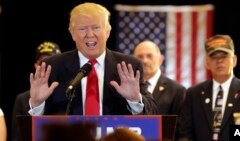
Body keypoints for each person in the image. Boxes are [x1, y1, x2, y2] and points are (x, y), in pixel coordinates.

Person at [28, 2, 157, 116]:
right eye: (82, 29)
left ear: (107, 31)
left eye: (96, 28)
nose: (90, 35)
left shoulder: (129, 66)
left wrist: (135, 100)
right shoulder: (52, 67)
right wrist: (37, 104)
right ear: (72, 33)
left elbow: (153, 112)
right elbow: (36, 127)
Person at [177, 34, 240, 141]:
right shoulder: (193, 94)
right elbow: (184, 134)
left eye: (224, 56)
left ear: (234, 60)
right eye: (214, 56)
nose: (219, 61)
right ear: (207, 63)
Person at [11, 41, 61, 141]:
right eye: (42, 62)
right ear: (36, 66)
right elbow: (17, 137)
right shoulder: (22, 99)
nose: (46, 65)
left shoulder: (70, 92)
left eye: (52, 60)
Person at [134, 40, 186, 115]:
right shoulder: (127, 88)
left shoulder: (177, 90)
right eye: (140, 57)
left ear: (160, 59)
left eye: (149, 56)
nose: (145, 61)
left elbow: (180, 123)